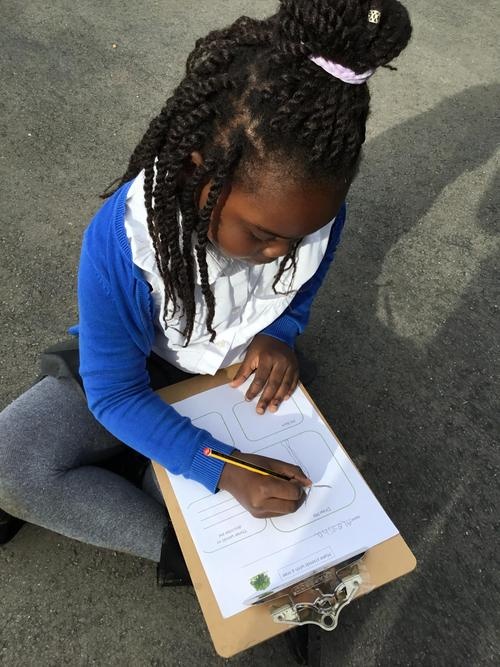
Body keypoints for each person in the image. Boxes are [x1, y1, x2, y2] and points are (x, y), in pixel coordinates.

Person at [0, 0, 411, 581]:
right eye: (264, 235)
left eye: (301, 236)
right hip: (136, 369)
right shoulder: (125, 242)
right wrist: (222, 468)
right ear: (199, 173)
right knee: (11, 464)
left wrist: (280, 333)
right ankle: (192, 557)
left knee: (276, 499)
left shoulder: (314, 217)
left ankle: (184, 520)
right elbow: (114, 394)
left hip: (233, 379)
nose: (284, 252)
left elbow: (302, 290)